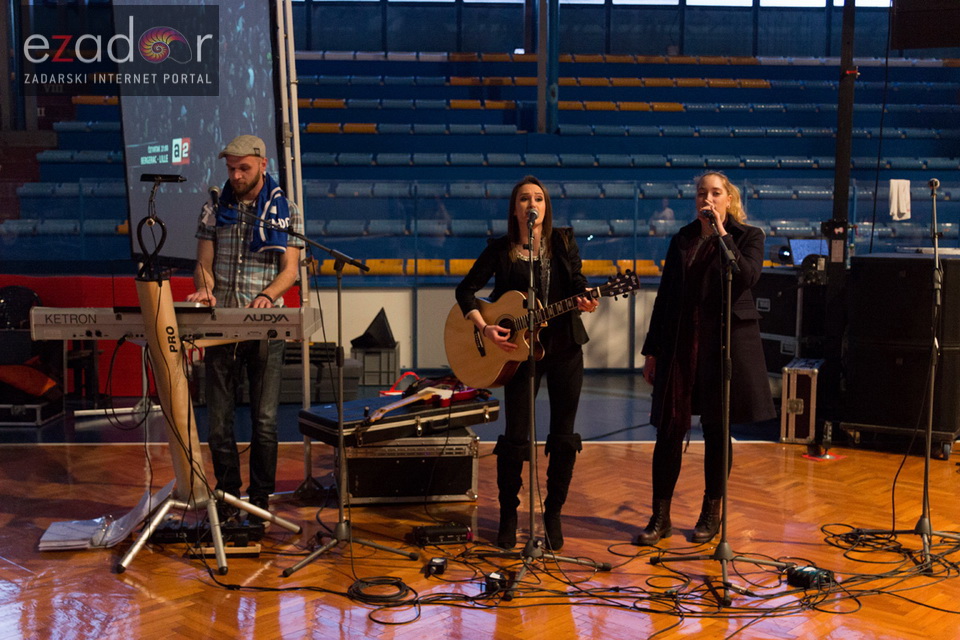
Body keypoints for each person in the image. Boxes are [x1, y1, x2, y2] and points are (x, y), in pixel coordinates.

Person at [454, 175, 599, 551]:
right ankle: (507, 516)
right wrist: (485, 327)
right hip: (516, 353)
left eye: (538, 198)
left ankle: (552, 515)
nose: (531, 203)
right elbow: (465, 290)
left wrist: (586, 298)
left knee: (564, 436)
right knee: (516, 435)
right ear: (515, 208)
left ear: (546, 206)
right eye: (523, 198)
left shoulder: (563, 243)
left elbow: (579, 283)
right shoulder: (500, 250)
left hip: (565, 346)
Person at [636, 171, 775, 546]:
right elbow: (665, 298)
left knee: (717, 429)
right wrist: (652, 351)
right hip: (681, 345)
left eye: (716, 193)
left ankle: (712, 512)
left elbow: (746, 276)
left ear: (729, 200)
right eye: (702, 193)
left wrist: (721, 235)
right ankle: (660, 516)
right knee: (668, 430)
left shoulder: (749, 237)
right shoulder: (682, 238)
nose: (707, 199)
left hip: (723, 348)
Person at [186, 134, 304, 523]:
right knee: (218, 421)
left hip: (266, 324)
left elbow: (290, 270)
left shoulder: (287, 209)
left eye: (243, 169)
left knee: (265, 420)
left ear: (262, 165)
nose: (235, 176)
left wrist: (267, 296)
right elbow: (204, 262)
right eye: (231, 169)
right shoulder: (214, 207)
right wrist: (205, 287)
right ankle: (227, 495)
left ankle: (260, 499)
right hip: (221, 325)